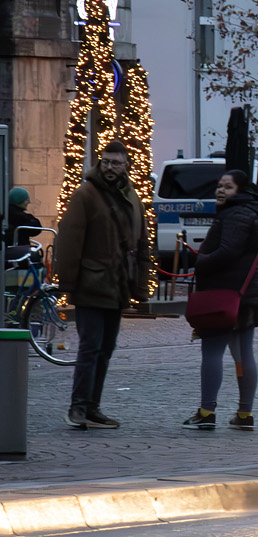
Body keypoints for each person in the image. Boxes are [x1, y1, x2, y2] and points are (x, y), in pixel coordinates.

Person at [54, 140, 152, 429]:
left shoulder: (132, 197)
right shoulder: (85, 194)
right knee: (90, 347)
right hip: (91, 285)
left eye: (116, 163)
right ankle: (78, 408)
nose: (110, 168)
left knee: (106, 348)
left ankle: (93, 407)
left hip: (118, 286)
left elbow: (142, 244)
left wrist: (142, 286)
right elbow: (70, 241)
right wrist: (68, 283)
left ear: (126, 166)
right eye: (106, 162)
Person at [182, 170, 258, 430]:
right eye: (219, 186)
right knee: (243, 356)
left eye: (228, 187)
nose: (221, 191)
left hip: (225, 294)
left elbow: (227, 252)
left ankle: (207, 411)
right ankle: (245, 414)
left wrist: (201, 260)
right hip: (246, 294)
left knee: (212, 352)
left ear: (240, 191)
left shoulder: (237, 213)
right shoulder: (253, 211)